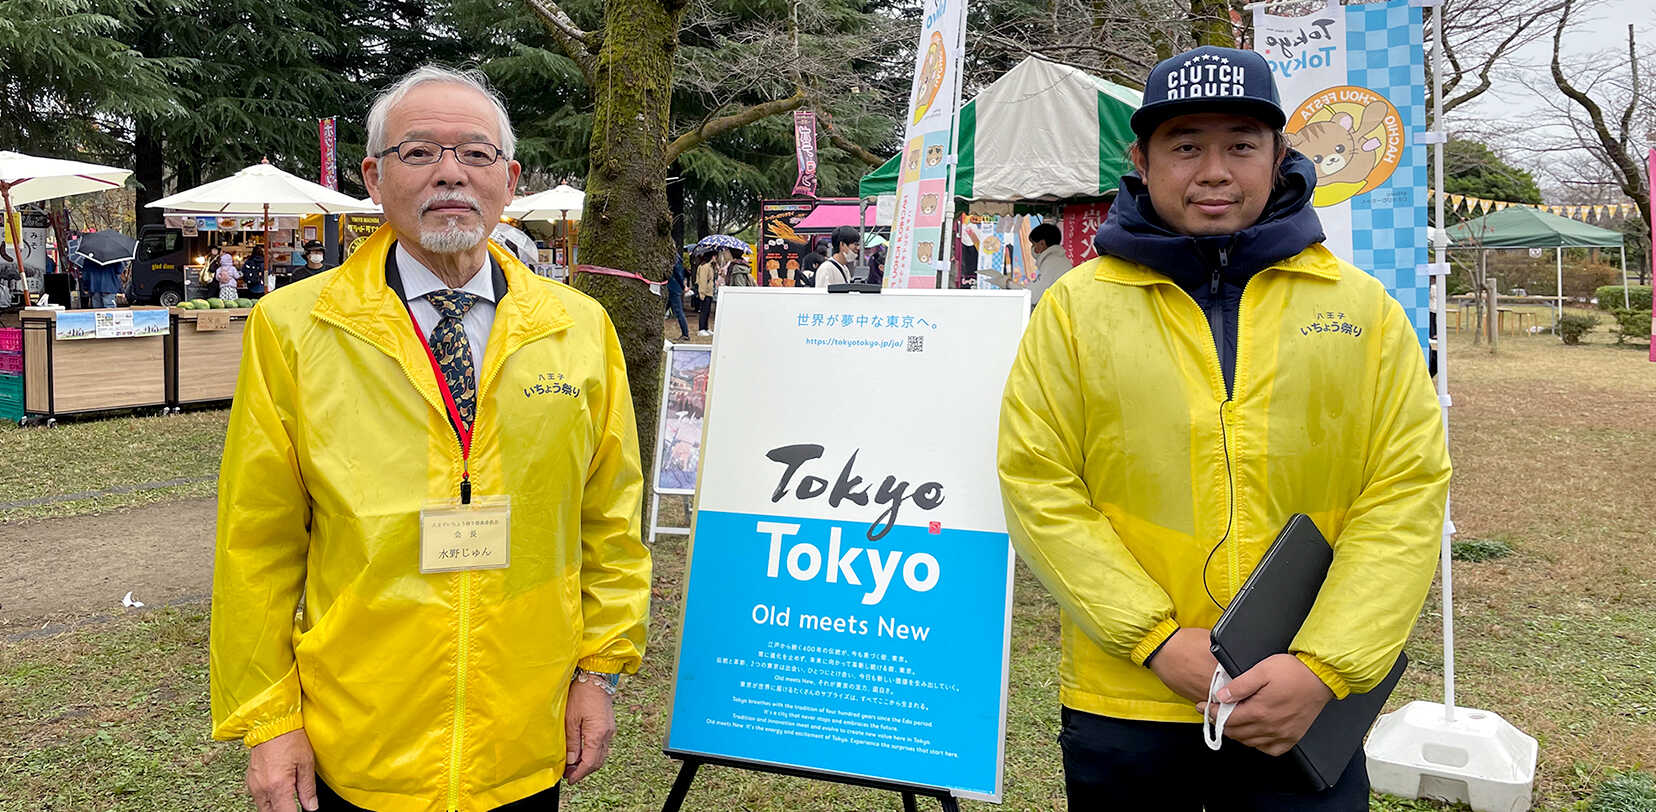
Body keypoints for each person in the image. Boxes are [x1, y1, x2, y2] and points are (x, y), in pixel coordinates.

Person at [996, 45, 1449, 812]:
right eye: (1185, 146)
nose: (1214, 171)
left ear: (1279, 156)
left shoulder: (1364, 307)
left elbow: (1405, 490)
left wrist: (1323, 667)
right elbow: (1038, 481)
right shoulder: (1076, 309)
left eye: (1241, 145)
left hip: (1297, 707)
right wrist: (1154, 640)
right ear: (1141, 159)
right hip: (1129, 699)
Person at [210, 65, 651, 812]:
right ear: (374, 178)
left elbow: (608, 521)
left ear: (508, 180)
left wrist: (598, 673)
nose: (451, 173)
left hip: (522, 734)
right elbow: (255, 544)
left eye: (475, 154)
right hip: (361, 742)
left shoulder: (578, 328)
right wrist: (270, 721)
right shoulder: (295, 328)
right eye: (419, 153)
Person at [1024, 223, 1069, 305]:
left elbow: (1034, 296)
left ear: (1042, 243)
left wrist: (1007, 283)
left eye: (1033, 244)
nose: (1033, 248)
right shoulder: (1058, 259)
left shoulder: (1052, 262)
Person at [694, 248, 718, 336]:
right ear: (712, 256)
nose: (716, 258)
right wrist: (702, 293)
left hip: (709, 292)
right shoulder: (704, 267)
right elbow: (703, 281)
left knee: (707, 311)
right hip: (705, 292)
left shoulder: (710, 266)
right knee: (703, 311)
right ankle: (701, 329)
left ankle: (706, 328)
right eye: (715, 256)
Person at [667, 252, 690, 340]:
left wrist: (683, 286)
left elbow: (677, 274)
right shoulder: (677, 258)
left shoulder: (673, 258)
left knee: (679, 311)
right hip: (674, 287)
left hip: (672, 287)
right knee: (663, 311)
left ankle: (685, 334)